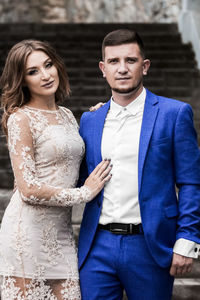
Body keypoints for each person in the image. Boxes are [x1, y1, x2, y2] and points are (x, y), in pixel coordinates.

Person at [78, 29, 200, 300]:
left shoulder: (174, 114)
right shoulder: (90, 120)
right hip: (97, 244)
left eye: (130, 61)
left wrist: (187, 240)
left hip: (150, 244)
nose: (122, 69)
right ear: (102, 68)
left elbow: (192, 182)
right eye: (113, 61)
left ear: (144, 66)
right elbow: (76, 175)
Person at [0, 39, 112, 300]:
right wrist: (84, 194)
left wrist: (103, 115)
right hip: (26, 236)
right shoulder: (21, 118)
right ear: (22, 80)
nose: (46, 75)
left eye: (48, 65)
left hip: (61, 235)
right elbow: (27, 189)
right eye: (33, 71)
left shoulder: (67, 115)